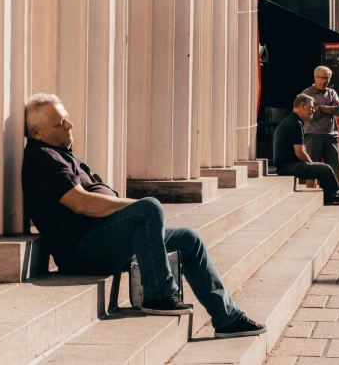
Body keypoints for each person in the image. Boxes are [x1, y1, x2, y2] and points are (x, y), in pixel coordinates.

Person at [22, 93, 266, 339]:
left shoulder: (60, 153)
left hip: (103, 239)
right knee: (149, 207)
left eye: (67, 119)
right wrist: (134, 208)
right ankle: (158, 295)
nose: (69, 125)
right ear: (36, 132)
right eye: (59, 123)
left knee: (189, 239)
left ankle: (227, 318)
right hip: (82, 251)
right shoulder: (42, 158)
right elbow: (81, 204)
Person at [273, 94, 339, 206]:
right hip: (287, 167)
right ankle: (330, 196)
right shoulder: (294, 123)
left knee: (323, 168)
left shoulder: (293, 121)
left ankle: (334, 194)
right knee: (325, 169)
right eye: (311, 108)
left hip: (286, 165)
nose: (313, 111)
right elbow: (299, 152)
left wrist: (313, 166)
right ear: (302, 106)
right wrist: (312, 165)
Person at [301, 66, 339, 191]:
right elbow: (309, 115)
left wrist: (319, 107)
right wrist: (329, 108)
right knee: (312, 169)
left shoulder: (332, 93)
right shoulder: (307, 93)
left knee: (336, 168)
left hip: (331, 135)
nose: (323, 81)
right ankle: (310, 196)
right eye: (320, 78)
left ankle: (338, 195)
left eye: (326, 78)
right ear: (315, 77)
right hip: (313, 135)